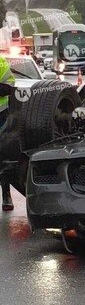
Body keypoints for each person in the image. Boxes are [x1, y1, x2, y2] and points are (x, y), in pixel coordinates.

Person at [0, 55, 15, 211]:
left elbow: (9, 86)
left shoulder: (1, 62)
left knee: (2, 156)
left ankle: (6, 195)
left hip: (1, 116)